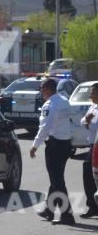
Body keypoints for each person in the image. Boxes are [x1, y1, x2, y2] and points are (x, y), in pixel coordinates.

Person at [30, 78, 75, 225]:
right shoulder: (64, 100)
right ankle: (49, 210)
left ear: (48, 89)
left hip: (55, 145)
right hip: (65, 144)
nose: (41, 91)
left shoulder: (50, 104)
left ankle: (67, 215)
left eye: (42, 88)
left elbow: (45, 127)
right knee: (55, 178)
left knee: (57, 181)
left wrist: (35, 145)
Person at [79, 83, 98, 218]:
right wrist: (86, 120)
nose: (90, 94)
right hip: (92, 145)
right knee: (88, 172)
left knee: (91, 172)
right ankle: (92, 205)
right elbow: (82, 121)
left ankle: (93, 205)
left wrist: (87, 122)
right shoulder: (93, 107)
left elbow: (95, 126)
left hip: (96, 145)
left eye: (93, 91)